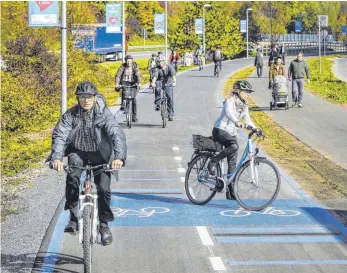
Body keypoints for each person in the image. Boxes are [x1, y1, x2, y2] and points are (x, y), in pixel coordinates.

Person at [47, 81, 127, 245]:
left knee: (104, 188)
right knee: (72, 179)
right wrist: (56, 158)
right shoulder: (70, 115)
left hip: (100, 153)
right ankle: (73, 217)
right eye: (82, 97)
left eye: (89, 97)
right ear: (77, 99)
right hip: (78, 151)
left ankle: (104, 225)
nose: (86, 100)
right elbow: (60, 135)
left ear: (95, 97)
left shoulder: (103, 114)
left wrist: (119, 157)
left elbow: (116, 134)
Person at [208, 80, 259, 199]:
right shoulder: (230, 101)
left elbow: (247, 119)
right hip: (220, 130)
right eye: (246, 91)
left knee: (233, 162)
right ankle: (214, 161)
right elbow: (229, 113)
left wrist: (256, 128)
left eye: (249, 92)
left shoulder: (244, 104)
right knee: (234, 146)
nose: (248, 94)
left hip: (231, 133)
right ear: (238, 91)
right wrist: (237, 122)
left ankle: (230, 191)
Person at [115, 55, 141, 122]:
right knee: (124, 93)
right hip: (124, 82)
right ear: (126, 61)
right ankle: (123, 105)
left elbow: (138, 75)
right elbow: (118, 75)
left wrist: (139, 83)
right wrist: (117, 83)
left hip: (133, 83)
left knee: (134, 100)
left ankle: (134, 116)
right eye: (127, 61)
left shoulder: (135, 66)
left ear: (132, 61)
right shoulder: (122, 67)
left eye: (130, 61)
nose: (128, 62)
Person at [151, 56, 177, 121]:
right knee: (157, 88)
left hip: (168, 82)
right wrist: (153, 83)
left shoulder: (169, 67)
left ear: (164, 61)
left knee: (170, 98)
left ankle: (170, 115)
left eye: (162, 61)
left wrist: (174, 82)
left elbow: (173, 75)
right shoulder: (157, 68)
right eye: (159, 62)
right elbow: (155, 76)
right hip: (159, 82)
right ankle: (158, 104)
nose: (161, 63)